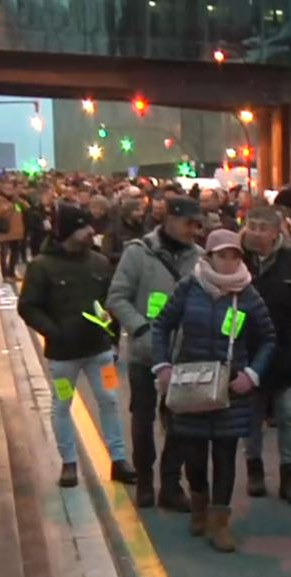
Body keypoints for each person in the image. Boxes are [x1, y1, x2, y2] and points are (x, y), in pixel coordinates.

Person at [152, 230, 276, 553]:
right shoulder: (189, 288)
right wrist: (162, 366)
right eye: (222, 254)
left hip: (231, 390)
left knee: (224, 456)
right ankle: (199, 506)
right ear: (208, 257)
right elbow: (162, 325)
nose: (229, 260)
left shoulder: (248, 294)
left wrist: (252, 374)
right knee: (193, 455)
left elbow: (268, 339)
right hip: (191, 384)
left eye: (235, 254)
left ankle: (220, 521)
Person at [19, 203, 138, 488]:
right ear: (68, 231)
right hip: (63, 357)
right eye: (83, 227)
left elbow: (109, 297)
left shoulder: (98, 263)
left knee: (109, 400)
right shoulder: (41, 267)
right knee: (62, 404)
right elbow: (28, 307)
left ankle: (119, 459)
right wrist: (54, 332)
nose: (89, 232)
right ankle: (69, 463)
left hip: (98, 351)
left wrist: (108, 326)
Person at [106, 196, 204, 509]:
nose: (194, 230)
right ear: (170, 221)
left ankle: (171, 483)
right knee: (143, 417)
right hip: (145, 353)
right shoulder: (138, 254)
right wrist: (140, 328)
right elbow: (117, 297)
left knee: (178, 420)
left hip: (181, 354)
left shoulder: (199, 259)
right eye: (189, 223)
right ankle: (145, 480)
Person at [241, 206, 291, 504]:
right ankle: (254, 470)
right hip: (248, 354)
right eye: (251, 225)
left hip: (285, 354)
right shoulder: (237, 260)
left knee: (289, 416)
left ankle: (289, 476)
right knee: (251, 418)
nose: (254, 232)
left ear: (276, 232)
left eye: (261, 227)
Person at [0, 181, 27, 280]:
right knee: (4, 253)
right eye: (7, 188)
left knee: (15, 253)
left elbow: (25, 208)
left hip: (16, 232)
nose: (9, 191)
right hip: (4, 231)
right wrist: (6, 208)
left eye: (11, 188)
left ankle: (11, 273)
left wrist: (18, 200)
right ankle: (5, 274)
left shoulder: (15, 200)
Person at [101, 199, 149, 267]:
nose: (142, 213)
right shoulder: (114, 229)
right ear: (128, 212)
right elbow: (106, 253)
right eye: (137, 210)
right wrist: (128, 255)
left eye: (142, 210)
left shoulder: (143, 228)